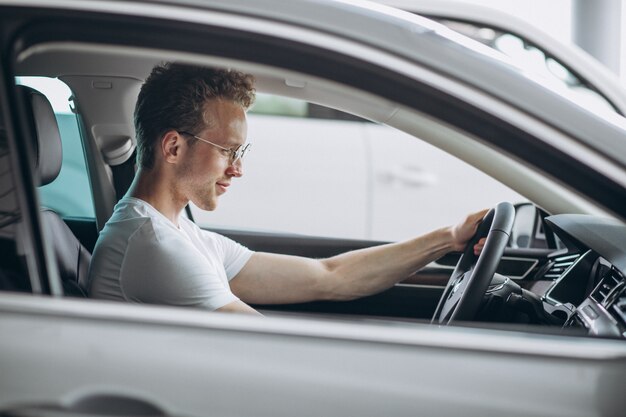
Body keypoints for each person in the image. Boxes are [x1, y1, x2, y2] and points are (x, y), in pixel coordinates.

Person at [87, 62, 487, 315]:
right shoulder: (153, 246)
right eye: (227, 150)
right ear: (173, 146)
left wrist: (448, 239)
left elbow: (330, 276)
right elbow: (274, 348)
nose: (238, 169)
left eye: (240, 151)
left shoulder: (179, 234)